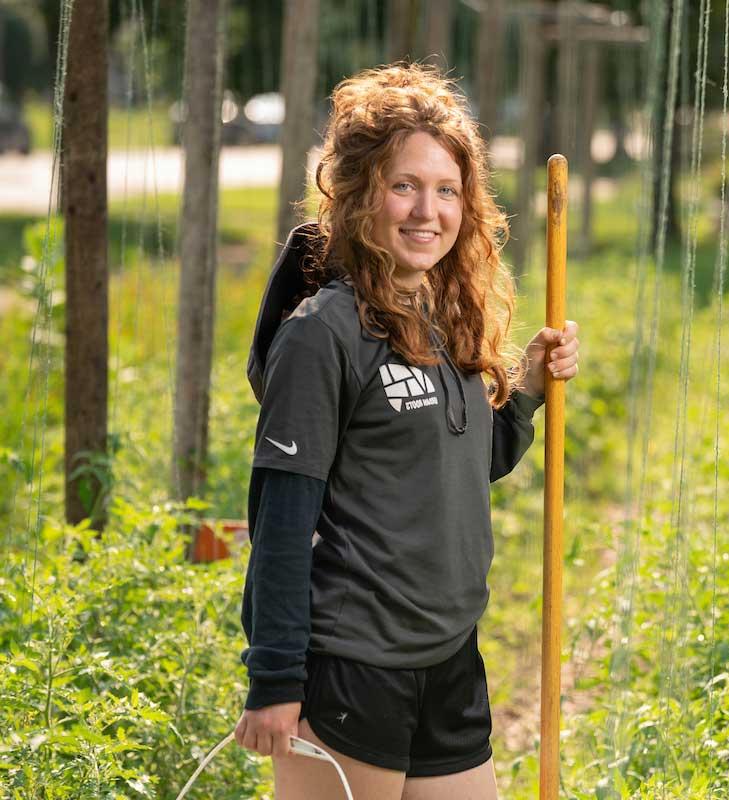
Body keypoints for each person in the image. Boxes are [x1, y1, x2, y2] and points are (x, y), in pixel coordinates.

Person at [234, 62, 581, 799]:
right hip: (352, 667)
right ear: (359, 195)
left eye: (447, 190)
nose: (429, 210)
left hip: (450, 658)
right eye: (405, 185)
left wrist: (525, 388)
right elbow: (283, 521)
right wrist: (273, 682)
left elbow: (457, 465)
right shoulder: (321, 335)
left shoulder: (445, 319)